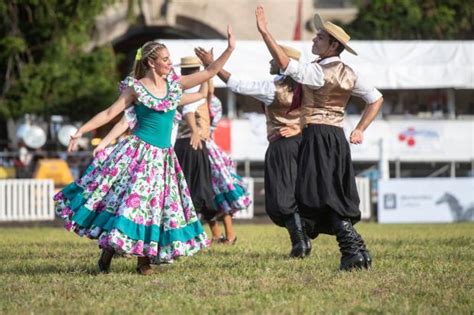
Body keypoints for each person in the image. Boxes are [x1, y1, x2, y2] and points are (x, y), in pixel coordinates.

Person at [54, 26, 236, 275]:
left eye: (169, 59)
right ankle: (119, 257)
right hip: (138, 154)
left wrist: (230, 48)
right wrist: (80, 131)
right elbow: (109, 113)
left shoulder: (175, 86)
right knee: (131, 205)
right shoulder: (136, 89)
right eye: (165, 59)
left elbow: (211, 72)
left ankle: (137, 260)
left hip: (164, 158)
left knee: (154, 209)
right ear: (151, 62)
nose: (169, 63)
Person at [256, 6, 384, 270]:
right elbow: (376, 99)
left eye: (320, 38)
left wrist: (266, 32)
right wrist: (359, 129)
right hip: (336, 137)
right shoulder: (349, 72)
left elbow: (284, 63)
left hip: (316, 136)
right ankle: (358, 251)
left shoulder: (316, 73)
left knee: (318, 195)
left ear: (332, 45)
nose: (314, 40)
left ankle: (352, 252)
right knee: (330, 192)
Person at [195, 45, 308, 257]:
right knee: (300, 192)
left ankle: (300, 241)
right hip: (305, 144)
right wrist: (300, 126)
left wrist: (212, 65)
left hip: (282, 144)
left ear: (283, 63)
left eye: (273, 59)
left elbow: (237, 84)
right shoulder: (309, 85)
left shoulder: (272, 87)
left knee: (282, 196)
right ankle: (303, 238)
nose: (270, 63)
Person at [202, 79, 251, 244]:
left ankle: (227, 235)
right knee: (213, 194)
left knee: (218, 193)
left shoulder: (211, 102)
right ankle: (220, 235)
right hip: (208, 150)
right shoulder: (209, 101)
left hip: (207, 150)